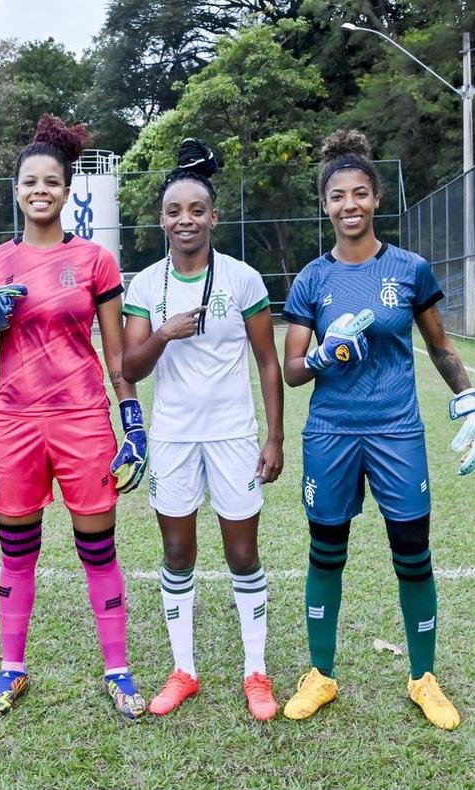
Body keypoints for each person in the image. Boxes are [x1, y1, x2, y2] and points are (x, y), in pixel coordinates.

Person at [279, 131, 475, 730]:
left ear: (376, 199)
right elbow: (294, 368)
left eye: (361, 193)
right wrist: (324, 355)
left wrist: (469, 399)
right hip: (331, 432)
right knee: (326, 554)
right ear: (326, 204)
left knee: (413, 556)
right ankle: (320, 674)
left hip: (397, 430)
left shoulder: (409, 269)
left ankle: (423, 677)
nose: (350, 204)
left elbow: (440, 346)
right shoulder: (312, 281)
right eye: (339, 195)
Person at [0, 114, 148, 721]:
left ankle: (117, 671)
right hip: (14, 422)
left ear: (68, 191)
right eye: (30, 182)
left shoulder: (95, 260)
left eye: (52, 182)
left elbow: (116, 353)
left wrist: (132, 421)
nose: (41, 191)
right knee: (17, 551)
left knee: (99, 549)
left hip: (83, 419)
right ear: (16, 190)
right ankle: (12, 668)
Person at [121, 138, 284, 721]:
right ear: (161, 220)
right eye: (173, 211)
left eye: (196, 210)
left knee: (243, 553)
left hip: (234, 436)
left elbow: (268, 360)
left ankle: (255, 672)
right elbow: (128, 368)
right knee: (177, 550)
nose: (184, 220)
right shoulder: (144, 285)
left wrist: (273, 436)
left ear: (213, 217)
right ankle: (183, 669)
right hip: (172, 438)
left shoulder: (242, 279)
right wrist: (162, 334)